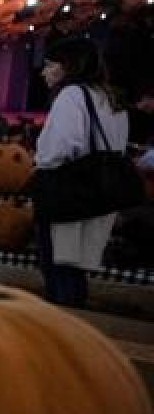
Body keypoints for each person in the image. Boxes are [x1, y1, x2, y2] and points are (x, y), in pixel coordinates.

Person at [34, 38, 129, 307]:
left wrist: (40, 160)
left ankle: (60, 335)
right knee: (76, 269)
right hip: (101, 193)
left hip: (68, 192)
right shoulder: (110, 98)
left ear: (67, 67)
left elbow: (58, 149)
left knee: (59, 269)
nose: (44, 72)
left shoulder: (71, 96)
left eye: (49, 65)